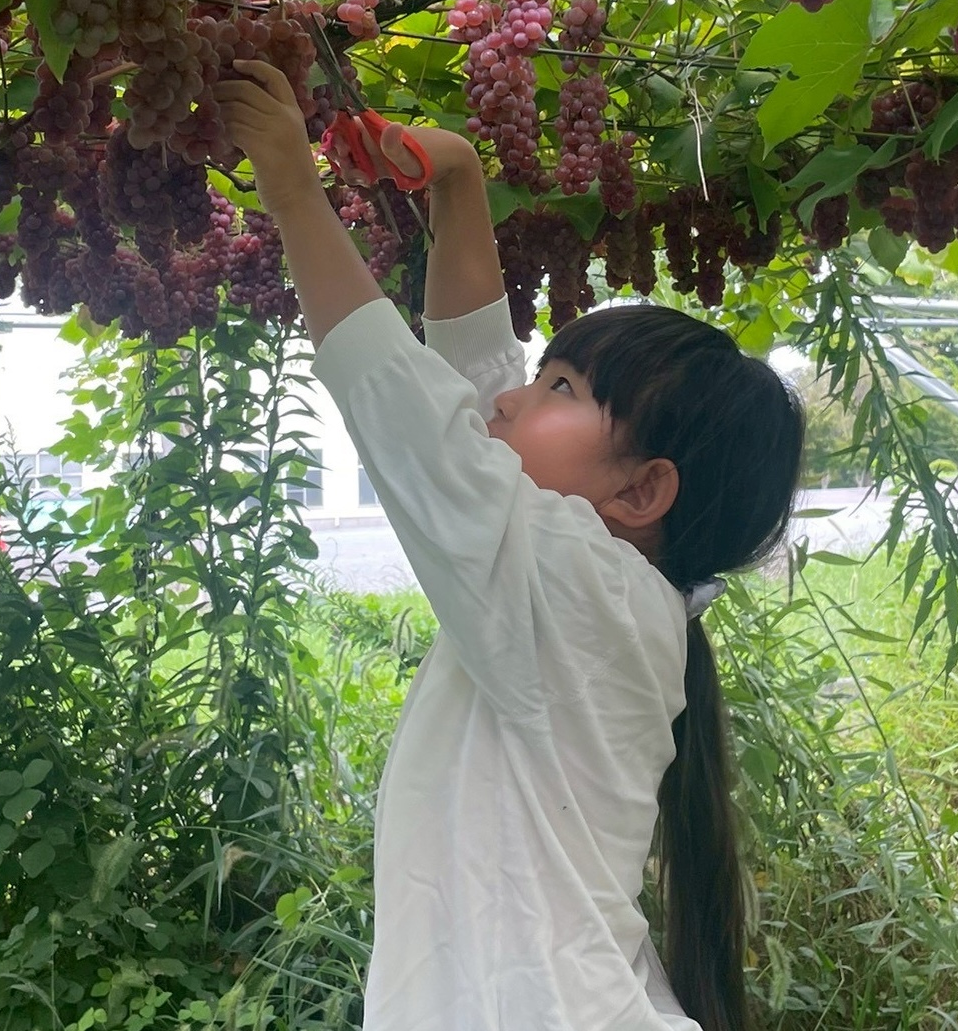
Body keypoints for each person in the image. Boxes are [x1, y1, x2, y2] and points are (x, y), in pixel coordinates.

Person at [214, 58, 806, 1031]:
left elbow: (418, 418)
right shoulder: (608, 589)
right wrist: (459, 184)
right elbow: (477, 378)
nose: (514, 392)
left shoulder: (579, 585)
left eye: (562, 386)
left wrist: (293, 190)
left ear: (641, 488)